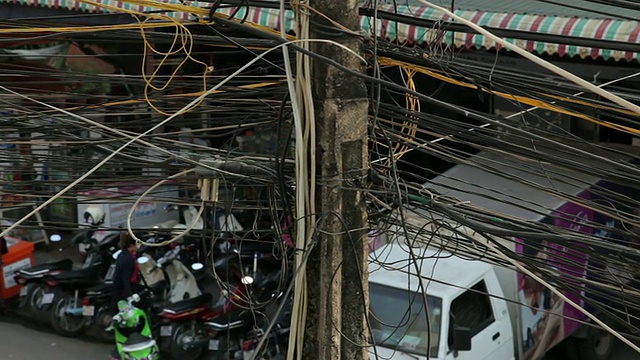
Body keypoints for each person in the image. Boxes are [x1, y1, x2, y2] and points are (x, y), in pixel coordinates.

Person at [111, 231, 140, 312]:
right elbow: (126, 279)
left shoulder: (123, 255)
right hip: (124, 291)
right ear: (131, 245)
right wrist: (130, 296)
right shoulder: (128, 259)